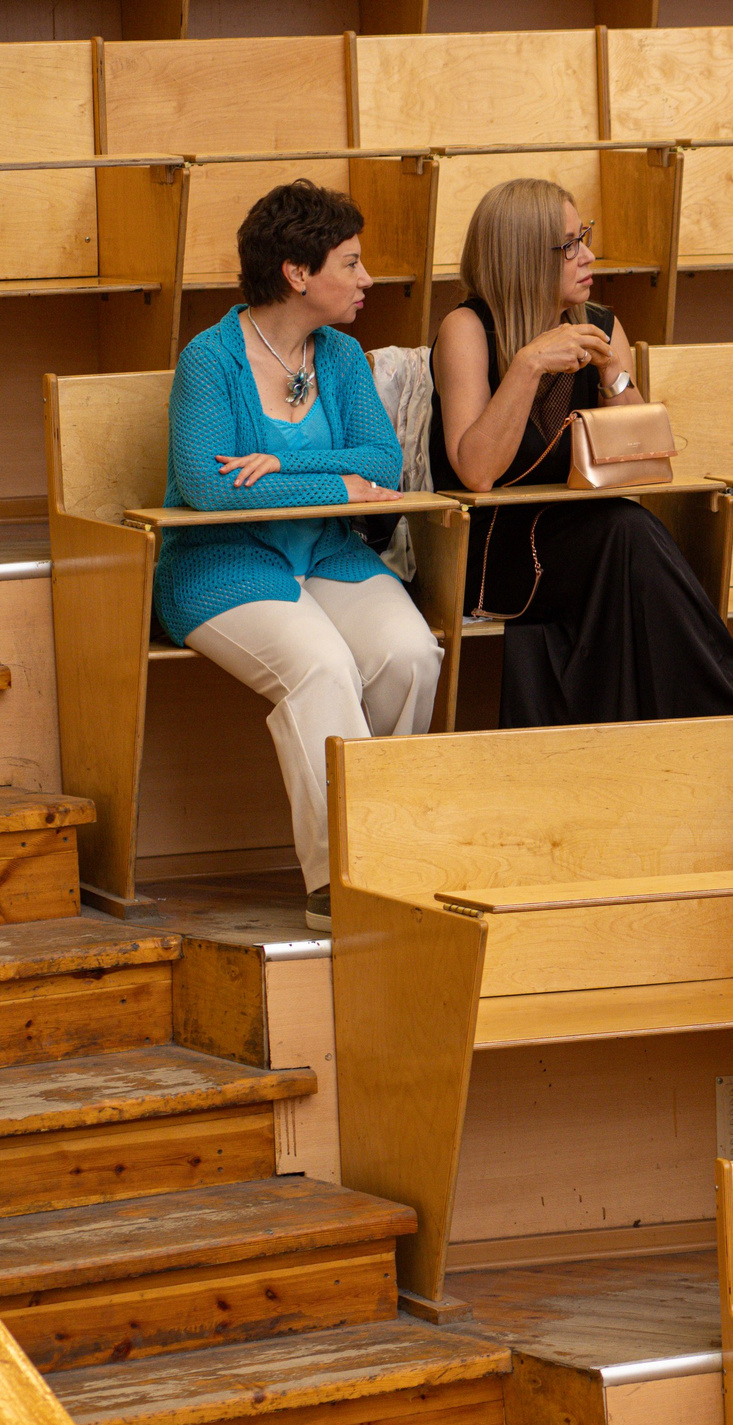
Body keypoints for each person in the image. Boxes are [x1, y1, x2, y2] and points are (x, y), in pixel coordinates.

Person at [158, 180, 441, 931]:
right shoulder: (209, 359)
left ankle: (372, 842)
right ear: (296, 273)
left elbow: (381, 463)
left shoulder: (342, 356)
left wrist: (282, 469)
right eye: (349, 263)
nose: (366, 279)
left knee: (411, 653)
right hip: (222, 561)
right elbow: (208, 489)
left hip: (325, 551)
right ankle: (338, 883)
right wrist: (336, 479)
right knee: (322, 666)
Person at [430, 178, 733, 725]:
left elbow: (643, 465)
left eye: (584, 237)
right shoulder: (468, 329)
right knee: (630, 534)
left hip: (591, 535)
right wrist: (528, 365)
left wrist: (614, 374)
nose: (588, 256)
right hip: (499, 547)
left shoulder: (600, 326)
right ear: (524, 257)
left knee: (630, 528)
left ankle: (723, 716)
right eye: (569, 245)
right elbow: (477, 472)